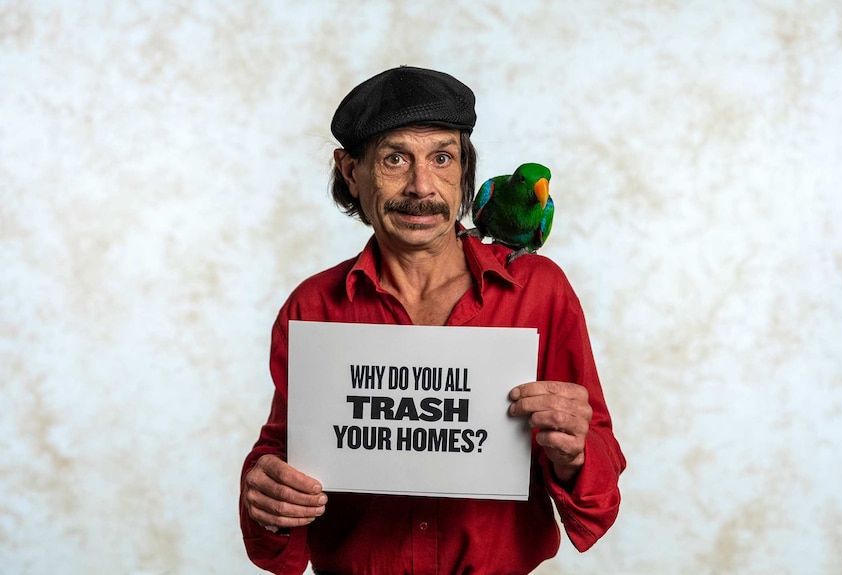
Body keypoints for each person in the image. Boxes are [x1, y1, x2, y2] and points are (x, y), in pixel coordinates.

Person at [240, 66, 625, 575]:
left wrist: (575, 453)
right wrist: (266, 491)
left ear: (465, 172)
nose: (422, 187)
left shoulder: (540, 290)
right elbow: (284, 451)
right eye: (395, 158)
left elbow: (599, 483)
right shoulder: (313, 307)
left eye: (442, 158)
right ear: (352, 172)